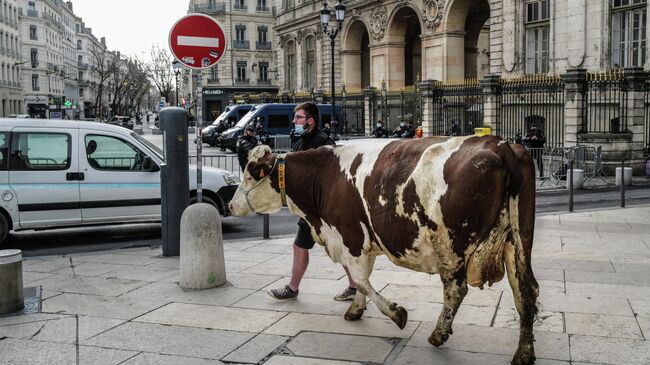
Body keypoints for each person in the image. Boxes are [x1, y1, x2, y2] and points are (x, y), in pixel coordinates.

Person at [268, 102, 357, 302]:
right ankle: (353, 287)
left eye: (298, 118)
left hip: (321, 210)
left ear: (310, 121)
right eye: (295, 118)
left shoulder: (323, 144)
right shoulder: (301, 142)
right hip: (309, 209)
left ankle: (294, 288)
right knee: (315, 247)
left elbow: (333, 177)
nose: (294, 121)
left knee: (334, 248)